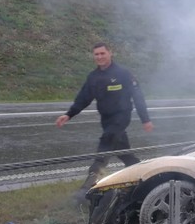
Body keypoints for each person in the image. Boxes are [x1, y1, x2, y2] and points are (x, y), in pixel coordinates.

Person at [56, 42, 154, 195]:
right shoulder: (93, 77)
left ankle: (87, 189)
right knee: (125, 154)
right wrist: (69, 114)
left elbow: (138, 97)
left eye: (102, 53)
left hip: (121, 117)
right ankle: (146, 179)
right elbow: (83, 98)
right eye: (96, 54)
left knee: (105, 145)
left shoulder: (123, 73)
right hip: (106, 120)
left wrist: (145, 119)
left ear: (110, 53)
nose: (99, 57)